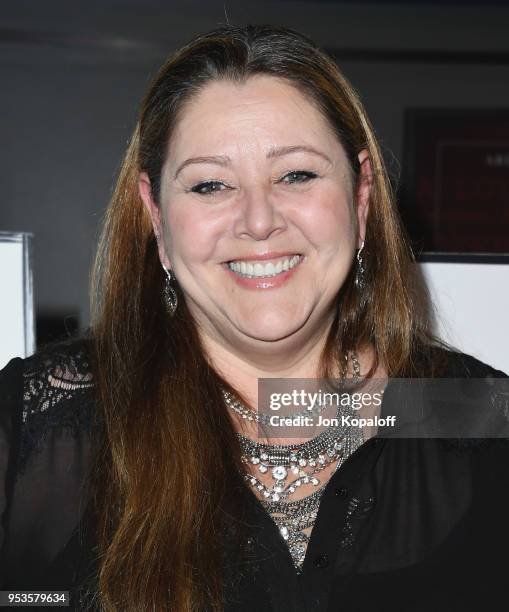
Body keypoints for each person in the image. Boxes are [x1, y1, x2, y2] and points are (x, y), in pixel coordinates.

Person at [0, 24, 508, 612]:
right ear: (158, 220)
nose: (259, 220)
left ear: (361, 198)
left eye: (297, 174)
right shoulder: (39, 428)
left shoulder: (480, 417)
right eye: (211, 184)